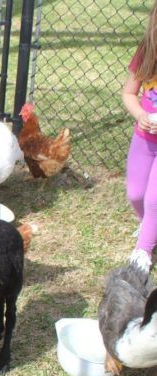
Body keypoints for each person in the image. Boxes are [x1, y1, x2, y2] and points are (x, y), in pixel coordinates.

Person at [121, 0, 157, 272]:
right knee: (136, 194)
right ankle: (149, 226)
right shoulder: (148, 52)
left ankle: (143, 250)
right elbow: (129, 93)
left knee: (154, 198)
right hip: (144, 138)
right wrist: (140, 115)